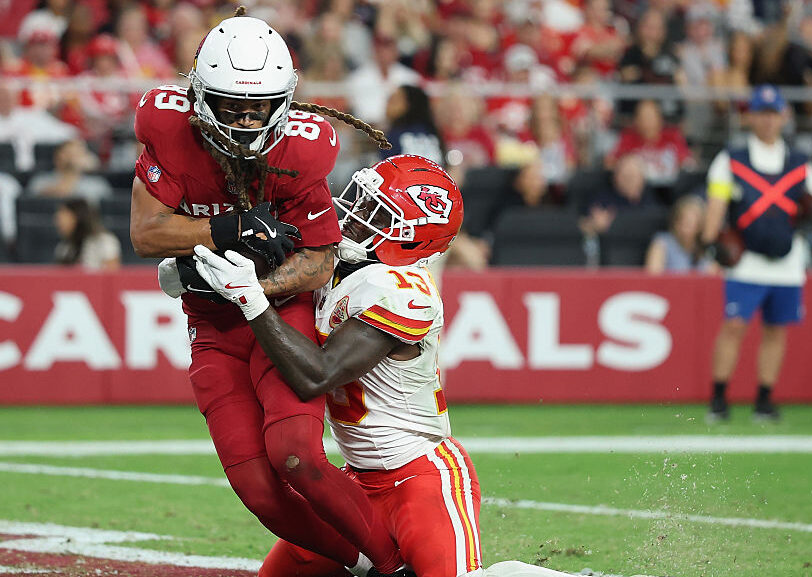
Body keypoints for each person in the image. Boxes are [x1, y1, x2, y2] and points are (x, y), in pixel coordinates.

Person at [186, 155, 579, 577]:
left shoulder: (405, 291)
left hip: (420, 478)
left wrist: (251, 299)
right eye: (361, 200)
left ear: (412, 238)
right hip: (354, 484)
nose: (354, 215)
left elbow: (315, 375)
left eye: (376, 212)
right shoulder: (340, 267)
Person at [129, 9, 408, 577]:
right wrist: (231, 230)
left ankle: (395, 564)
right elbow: (145, 232)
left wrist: (254, 284)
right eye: (232, 106)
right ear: (200, 94)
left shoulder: (302, 149)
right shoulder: (167, 125)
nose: (245, 121)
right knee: (257, 486)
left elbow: (320, 257)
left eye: (259, 106)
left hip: (282, 318)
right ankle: (365, 566)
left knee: (296, 455)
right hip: (213, 327)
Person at [700, 85, 812, 423]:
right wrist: (711, 244)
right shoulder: (731, 159)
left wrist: (811, 215)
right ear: (751, 117)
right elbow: (715, 205)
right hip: (745, 261)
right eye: (762, 113)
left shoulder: (800, 163)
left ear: (784, 116)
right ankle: (718, 398)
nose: (768, 121)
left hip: (787, 261)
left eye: (774, 114)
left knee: (776, 330)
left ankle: (764, 399)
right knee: (734, 326)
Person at [644, 195, 714, 274]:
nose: (686, 228)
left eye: (691, 223)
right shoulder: (662, 243)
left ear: (700, 226)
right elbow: (653, 276)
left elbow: (713, 274)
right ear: (675, 222)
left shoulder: (703, 248)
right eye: (683, 222)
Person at [53, 198, 121, 270]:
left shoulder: (105, 241)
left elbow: (112, 274)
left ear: (77, 217)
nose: (58, 222)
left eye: (63, 216)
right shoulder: (64, 248)